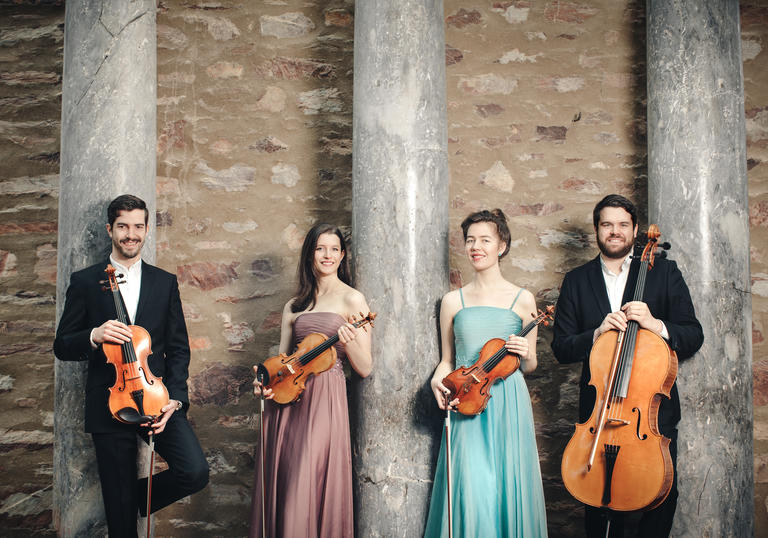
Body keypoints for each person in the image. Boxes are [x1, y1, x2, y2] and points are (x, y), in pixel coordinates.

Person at [53, 194, 209, 538]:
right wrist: (93, 334)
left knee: (194, 471)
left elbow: (179, 348)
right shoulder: (85, 281)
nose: (131, 234)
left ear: (147, 229)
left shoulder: (164, 282)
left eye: (138, 226)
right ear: (111, 229)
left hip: (156, 399)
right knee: (122, 529)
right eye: (123, 226)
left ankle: (131, 498)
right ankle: (121, 505)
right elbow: (62, 345)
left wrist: (177, 399)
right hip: (110, 404)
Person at [551, 194, 704, 537]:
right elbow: (561, 348)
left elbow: (693, 335)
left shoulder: (663, 271)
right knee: (599, 505)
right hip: (600, 415)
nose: (615, 231)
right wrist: (596, 333)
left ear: (636, 230)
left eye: (623, 224)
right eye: (607, 224)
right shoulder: (577, 280)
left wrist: (656, 324)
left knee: (659, 501)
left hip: (650, 420)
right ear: (597, 230)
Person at [424, 209, 548, 538]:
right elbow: (447, 360)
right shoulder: (452, 301)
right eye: (470, 240)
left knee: (507, 485)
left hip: (507, 400)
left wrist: (525, 353)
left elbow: (531, 364)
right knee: (470, 487)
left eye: (485, 240)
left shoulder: (524, 299)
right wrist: (438, 379)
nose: (476, 247)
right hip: (465, 402)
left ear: (502, 246)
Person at [250, 223, 373, 538]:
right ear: (310, 254)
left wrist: (351, 341)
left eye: (333, 249)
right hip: (287, 403)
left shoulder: (353, 300)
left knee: (307, 478)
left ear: (342, 255)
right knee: (288, 479)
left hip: (325, 399)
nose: (327, 255)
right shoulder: (294, 305)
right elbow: (280, 361)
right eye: (320, 248)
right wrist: (263, 383)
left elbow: (365, 367)